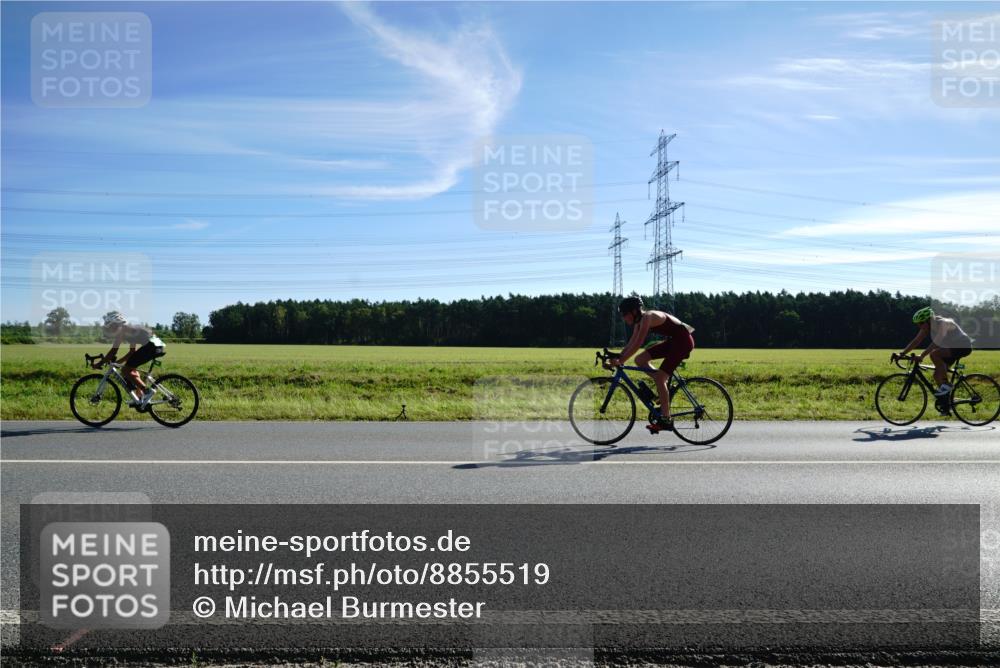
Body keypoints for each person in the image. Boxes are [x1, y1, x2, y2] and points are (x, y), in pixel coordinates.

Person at [609, 296, 695, 433]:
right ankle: (662, 392)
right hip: (674, 341)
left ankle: (666, 419)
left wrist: (621, 361)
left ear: (634, 311)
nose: (624, 318)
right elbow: (631, 343)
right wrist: (618, 356)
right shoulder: (639, 322)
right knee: (640, 360)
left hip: (683, 342)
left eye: (625, 314)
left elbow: (638, 344)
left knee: (660, 378)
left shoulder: (647, 318)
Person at [896, 306, 973, 398]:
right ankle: (946, 402)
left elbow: (937, 342)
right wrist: (902, 353)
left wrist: (922, 355)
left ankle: (946, 385)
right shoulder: (927, 327)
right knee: (937, 375)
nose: (919, 326)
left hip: (962, 346)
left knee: (935, 354)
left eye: (921, 323)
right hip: (951, 348)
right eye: (917, 324)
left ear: (929, 320)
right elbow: (916, 341)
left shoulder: (944, 323)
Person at [98, 311, 166, 406]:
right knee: (130, 368)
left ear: (114, 323)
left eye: (108, 325)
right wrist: (117, 363)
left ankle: (147, 391)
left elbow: (113, 351)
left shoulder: (122, 331)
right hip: (155, 345)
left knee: (126, 370)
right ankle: (140, 397)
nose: (108, 327)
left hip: (152, 346)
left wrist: (99, 363)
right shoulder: (128, 329)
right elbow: (132, 352)